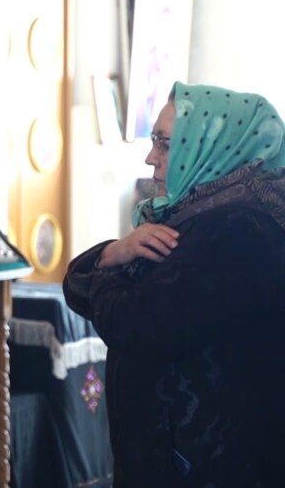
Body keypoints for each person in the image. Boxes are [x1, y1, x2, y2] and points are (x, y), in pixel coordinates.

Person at [63, 83, 285, 487]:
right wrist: (113, 254)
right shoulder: (192, 216)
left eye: (166, 144)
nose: (151, 158)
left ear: (213, 147)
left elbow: (135, 325)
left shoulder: (237, 230)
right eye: (154, 141)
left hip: (207, 466)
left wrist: (106, 271)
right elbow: (80, 291)